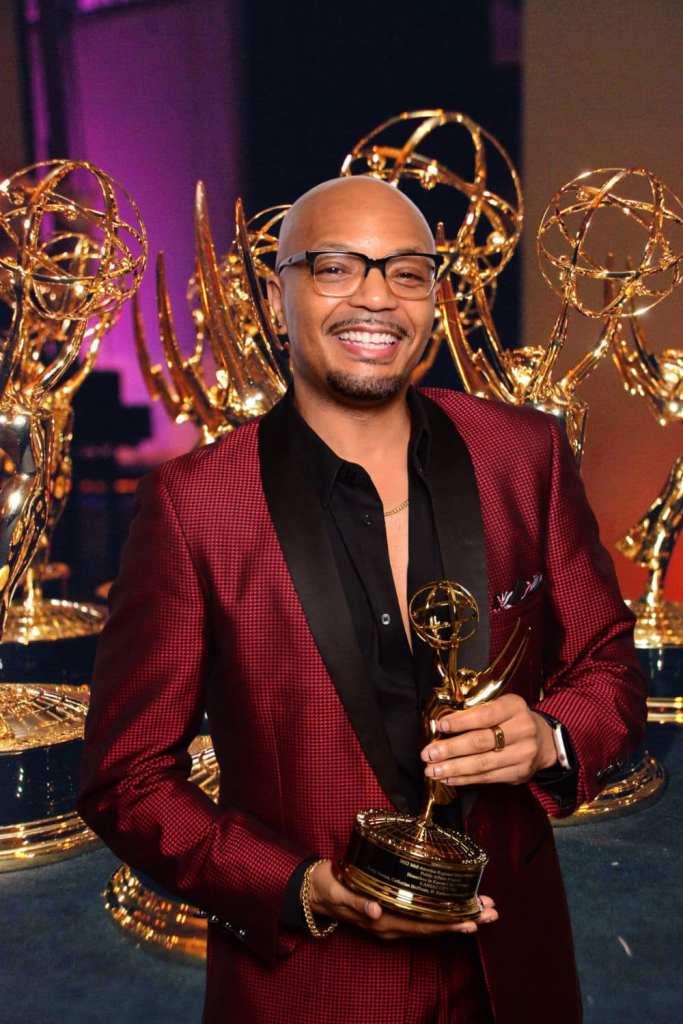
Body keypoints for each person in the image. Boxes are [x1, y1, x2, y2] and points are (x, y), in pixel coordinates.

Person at [78, 176, 647, 1024]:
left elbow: (607, 665)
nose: (376, 296)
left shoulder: (521, 454)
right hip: (313, 989)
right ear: (277, 298)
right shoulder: (196, 506)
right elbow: (127, 779)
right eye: (336, 267)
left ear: (434, 300)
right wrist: (299, 886)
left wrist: (549, 736)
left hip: (514, 974)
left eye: (406, 271)